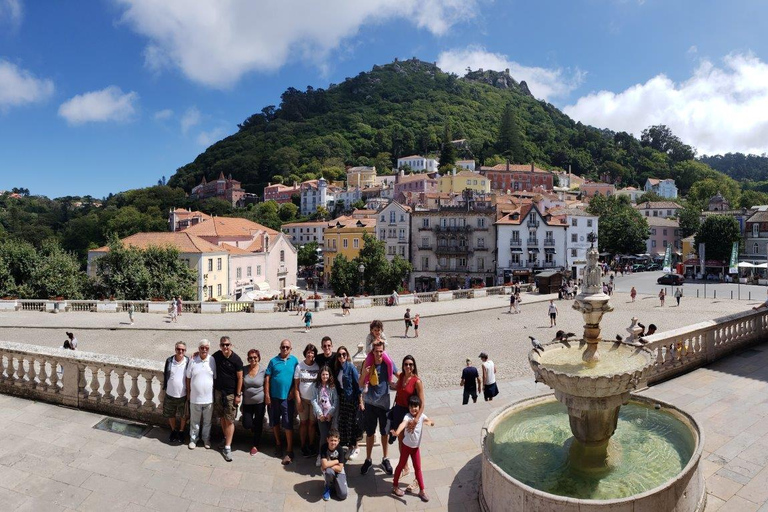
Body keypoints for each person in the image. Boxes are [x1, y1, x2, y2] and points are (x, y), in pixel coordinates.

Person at [358, 341, 396, 476]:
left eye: (381, 351)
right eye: (376, 351)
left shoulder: (388, 362)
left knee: (384, 432)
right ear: (372, 352)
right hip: (369, 403)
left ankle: (385, 458)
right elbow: (360, 383)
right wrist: (364, 374)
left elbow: (398, 374)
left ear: (383, 351)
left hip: (384, 404)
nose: (379, 354)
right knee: (369, 433)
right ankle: (368, 459)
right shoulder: (367, 363)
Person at [388, 354, 425, 483]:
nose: (408, 366)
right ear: (403, 366)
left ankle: (416, 475)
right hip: (398, 410)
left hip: (409, 413)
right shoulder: (402, 377)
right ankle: (405, 467)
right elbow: (390, 366)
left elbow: (422, 403)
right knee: (401, 441)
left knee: (411, 443)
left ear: (414, 366)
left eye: (410, 364)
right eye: (406, 364)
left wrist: (416, 420)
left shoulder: (417, 381)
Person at [391, 395, 434, 502]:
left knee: (418, 468)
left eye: (415, 406)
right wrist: (397, 432)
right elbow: (402, 424)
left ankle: (422, 491)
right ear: (408, 408)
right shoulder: (407, 416)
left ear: (419, 407)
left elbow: (429, 421)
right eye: (411, 407)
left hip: (415, 448)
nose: (413, 409)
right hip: (406, 447)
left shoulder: (422, 416)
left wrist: (431, 423)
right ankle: (395, 486)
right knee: (401, 465)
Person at [265, 339, 300, 464]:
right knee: (275, 422)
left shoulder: (295, 361)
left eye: (287, 347)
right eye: (283, 347)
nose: (285, 349)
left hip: (287, 398)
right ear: (280, 348)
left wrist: (293, 391)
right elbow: (267, 378)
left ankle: (289, 450)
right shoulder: (273, 361)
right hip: (274, 397)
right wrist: (267, 394)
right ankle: (278, 444)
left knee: (288, 423)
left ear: (291, 349)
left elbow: (297, 378)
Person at [212, 336, 243, 462]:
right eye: (223, 345)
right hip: (219, 392)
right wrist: (197, 353)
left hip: (231, 394)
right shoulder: (217, 356)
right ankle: (226, 438)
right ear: (220, 346)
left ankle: (228, 447)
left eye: (227, 345)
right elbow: (206, 356)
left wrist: (238, 395)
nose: (225, 347)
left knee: (230, 420)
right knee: (222, 417)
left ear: (231, 345)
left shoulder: (236, 359)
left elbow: (240, 378)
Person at [186, 339, 216, 450]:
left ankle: (206, 439)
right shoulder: (193, 360)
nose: (204, 349)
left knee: (207, 422)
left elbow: (215, 377)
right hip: (195, 398)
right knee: (194, 421)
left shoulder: (212, 360)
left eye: (206, 348)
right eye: (202, 347)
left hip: (208, 398)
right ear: (198, 349)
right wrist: (188, 392)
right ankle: (193, 439)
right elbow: (188, 377)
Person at [334, 345, 362, 460]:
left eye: (344, 354)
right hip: (343, 399)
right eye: (339, 355)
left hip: (351, 399)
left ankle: (356, 446)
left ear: (347, 355)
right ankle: (350, 446)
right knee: (345, 423)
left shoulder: (351, 367)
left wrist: (360, 401)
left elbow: (357, 385)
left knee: (352, 423)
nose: (341, 356)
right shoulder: (338, 368)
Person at [294, 343, 320, 457]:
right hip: (303, 400)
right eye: (309, 352)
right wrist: (298, 400)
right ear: (305, 353)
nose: (310, 354)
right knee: (303, 423)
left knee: (312, 424)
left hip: (314, 400)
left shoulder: (317, 366)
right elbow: (296, 386)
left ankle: (311, 445)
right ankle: (303, 445)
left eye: (312, 352)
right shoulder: (299, 366)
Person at [241, 349, 266, 456]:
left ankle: (256, 445)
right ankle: (254, 428)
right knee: (247, 424)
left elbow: (267, 384)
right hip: (247, 402)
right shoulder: (244, 369)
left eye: (255, 357)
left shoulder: (263, 370)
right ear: (248, 359)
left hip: (260, 402)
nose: (253, 359)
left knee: (258, 423)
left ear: (258, 358)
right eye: (251, 357)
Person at [163, 341, 189, 443]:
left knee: (183, 415)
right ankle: (173, 430)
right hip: (170, 393)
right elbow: (166, 374)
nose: (180, 351)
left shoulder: (188, 361)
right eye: (178, 349)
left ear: (185, 351)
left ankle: (181, 431)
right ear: (175, 350)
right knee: (171, 414)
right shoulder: (169, 360)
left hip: (183, 394)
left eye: (183, 350)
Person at [312, 365, 338, 467]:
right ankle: (321, 455)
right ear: (320, 375)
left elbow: (335, 400)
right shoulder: (316, 386)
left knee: (331, 435)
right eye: (323, 374)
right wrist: (320, 413)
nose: (325, 376)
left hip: (330, 415)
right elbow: (313, 400)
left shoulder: (332, 386)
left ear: (329, 375)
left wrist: (330, 413)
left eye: (327, 374)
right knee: (323, 436)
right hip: (321, 415)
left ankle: (330, 454)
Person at [362, 320, 394, 389]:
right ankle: (366, 382)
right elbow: (367, 350)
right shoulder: (369, 337)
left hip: (381, 352)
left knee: (390, 362)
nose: (377, 332)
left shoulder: (382, 334)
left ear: (381, 330)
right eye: (375, 330)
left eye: (378, 330)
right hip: (371, 353)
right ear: (372, 330)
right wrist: (373, 343)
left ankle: (390, 380)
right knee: (368, 366)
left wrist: (383, 341)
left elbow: (386, 344)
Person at [320, 428, 348, 502]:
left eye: (335, 440)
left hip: (339, 472)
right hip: (329, 470)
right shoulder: (324, 448)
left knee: (343, 495)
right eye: (331, 440)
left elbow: (340, 468)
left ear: (338, 441)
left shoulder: (340, 449)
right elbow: (324, 465)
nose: (333, 442)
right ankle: (328, 486)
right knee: (328, 472)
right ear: (327, 439)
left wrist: (328, 464)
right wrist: (337, 461)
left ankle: (335, 483)